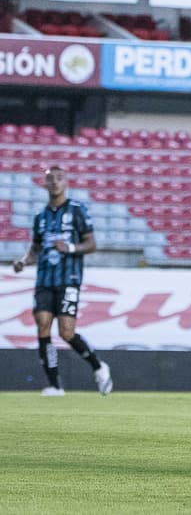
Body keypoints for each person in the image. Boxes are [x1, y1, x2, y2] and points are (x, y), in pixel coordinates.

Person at [12, 165, 113, 397]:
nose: (55, 182)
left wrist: (69, 247)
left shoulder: (77, 210)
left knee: (66, 332)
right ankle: (55, 385)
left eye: (59, 178)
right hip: (45, 280)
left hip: (69, 279)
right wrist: (23, 261)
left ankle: (98, 367)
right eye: (51, 179)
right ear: (45, 184)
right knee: (43, 325)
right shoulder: (41, 217)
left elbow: (92, 244)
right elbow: (35, 249)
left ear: (66, 182)